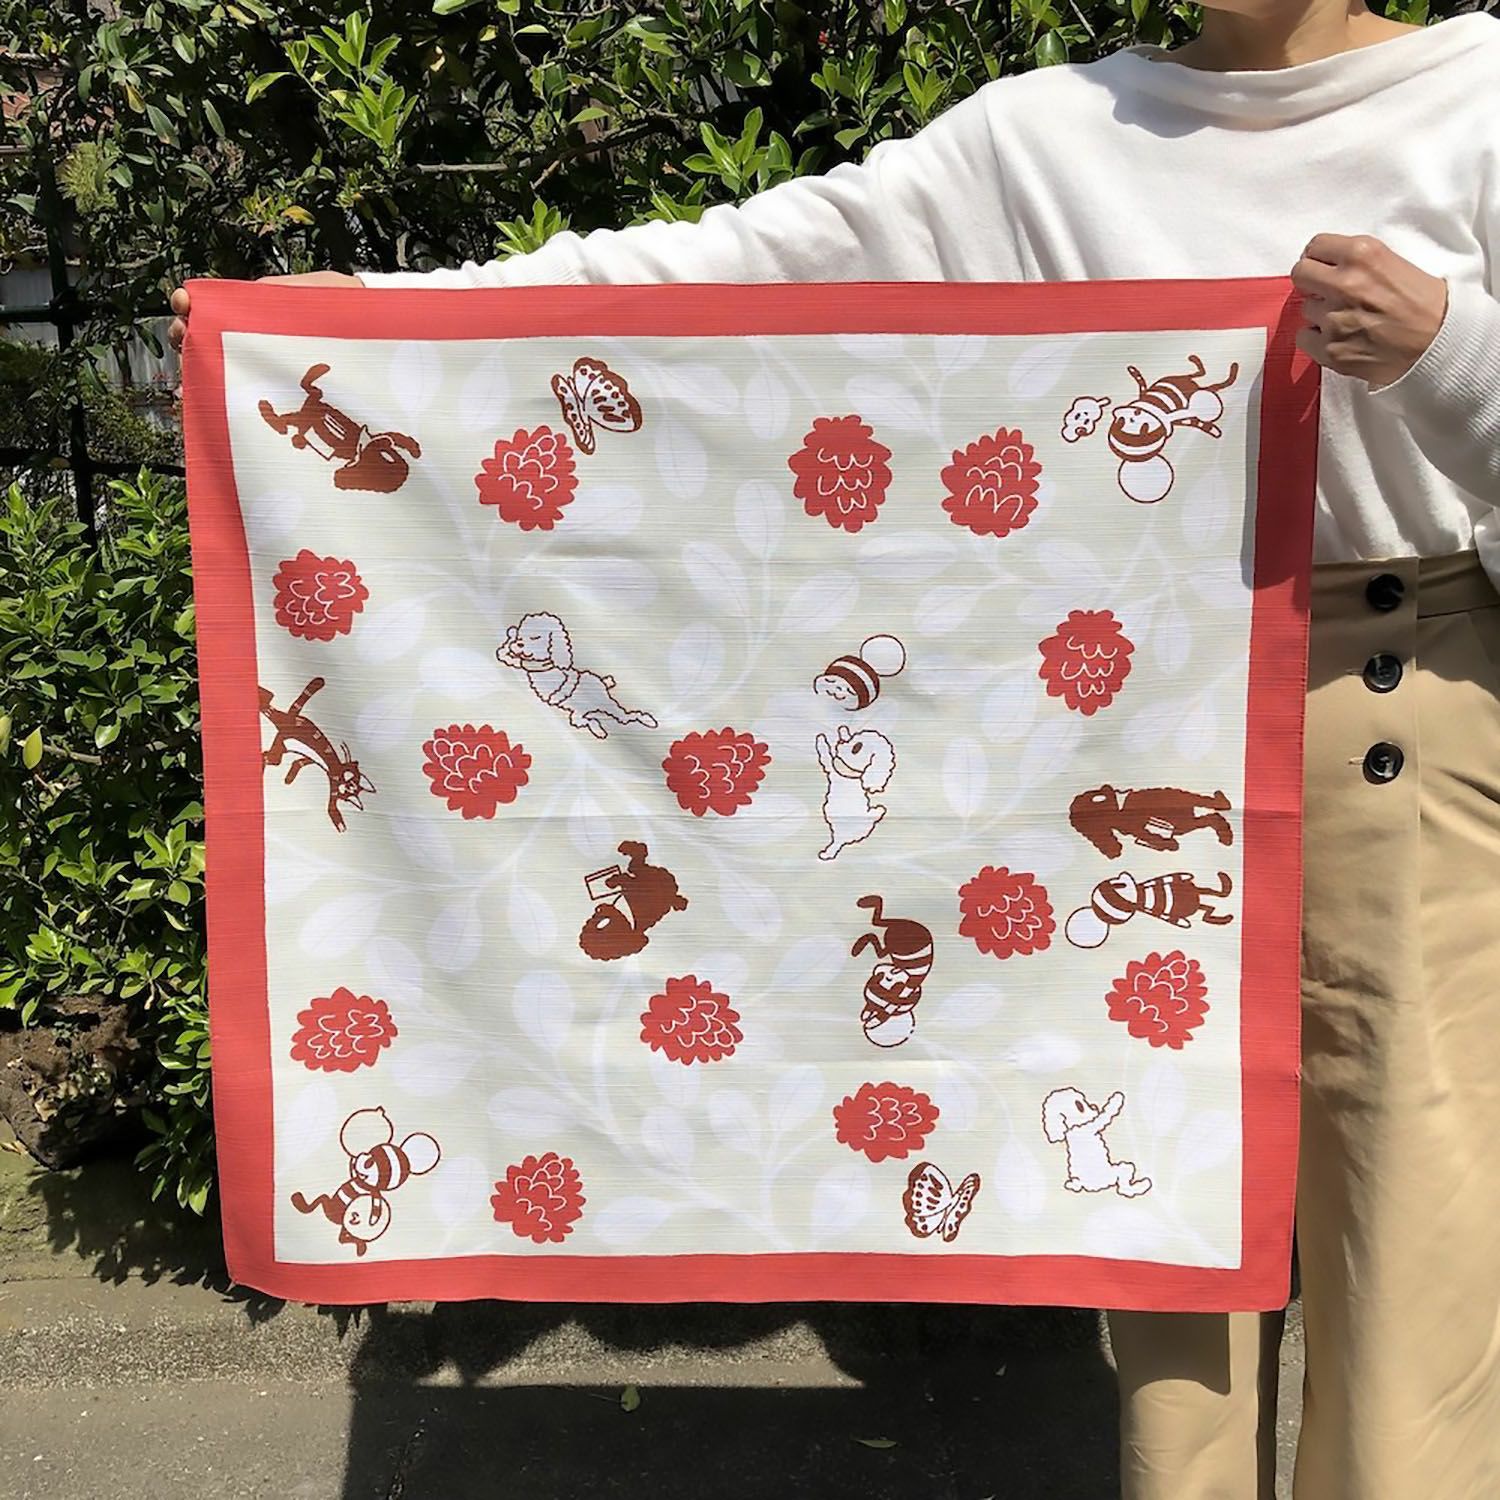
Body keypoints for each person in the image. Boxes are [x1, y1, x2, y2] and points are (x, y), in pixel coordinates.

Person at [171, 4, 1500, 1495]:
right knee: (1164, 1232)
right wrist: (332, 320)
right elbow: (741, 261)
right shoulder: (1050, 138)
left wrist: (1447, 351)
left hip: (1401, 720)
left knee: (1420, 1237)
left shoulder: (1475, 96)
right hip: (1139, 731)